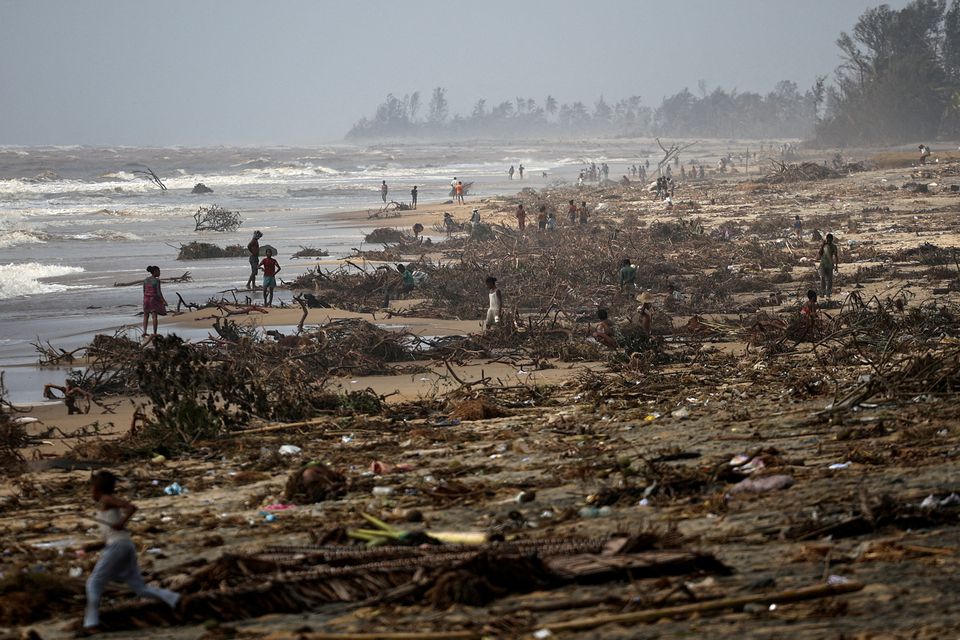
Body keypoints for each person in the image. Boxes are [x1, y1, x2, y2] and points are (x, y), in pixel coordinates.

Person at [82, 471, 180, 633]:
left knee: (94, 583)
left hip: (118, 547)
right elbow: (110, 537)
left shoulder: (106, 499)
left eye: (92, 489)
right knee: (140, 588)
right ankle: (175, 599)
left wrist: (122, 522)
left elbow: (131, 507)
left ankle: (91, 624)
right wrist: (90, 547)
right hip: (124, 545)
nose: (91, 493)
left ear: (97, 489)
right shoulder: (105, 504)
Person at [142, 266, 167, 338]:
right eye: (159, 271)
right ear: (155, 272)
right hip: (153, 300)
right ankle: (155, 333)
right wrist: (163, 301)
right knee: (154, 316)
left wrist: (145, 298)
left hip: (146, 299)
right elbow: (159, 293)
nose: (160, 273)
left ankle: (144, 332)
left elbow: (144, 291)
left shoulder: (145, 280)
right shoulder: (157, 281)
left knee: (146, 316)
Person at [817, 233, 840, 297]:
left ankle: (828, 293)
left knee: (829, 280)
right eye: (828, 240)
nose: (829, 241)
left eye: (830, 240)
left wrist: (836, 266)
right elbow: (819, 254)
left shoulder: (834, 246)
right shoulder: (824, 246)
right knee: (822, 278)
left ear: (832, 240)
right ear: (826, 239)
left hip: (830, 265)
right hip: (822, 264)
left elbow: (836, 256)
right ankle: (822, 292)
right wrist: (822, 245)